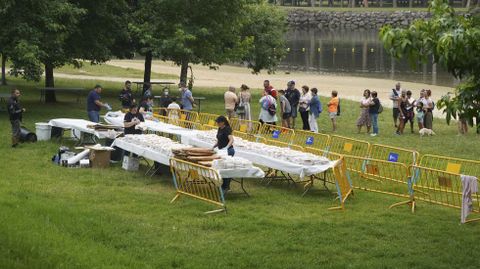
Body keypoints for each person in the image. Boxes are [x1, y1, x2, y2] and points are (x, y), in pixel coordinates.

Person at [212, 116, 235, 193]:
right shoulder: (219, 129)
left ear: (223, 122)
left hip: (228, 151)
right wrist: (213, 146)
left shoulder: (227, 129)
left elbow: (231, 139)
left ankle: (227, 186)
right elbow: (219, 140)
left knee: (226, 168)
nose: (217, 123)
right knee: (222, 167)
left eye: (218, 122)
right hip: (221, 150)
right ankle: (224, 185)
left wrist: (227, 147)